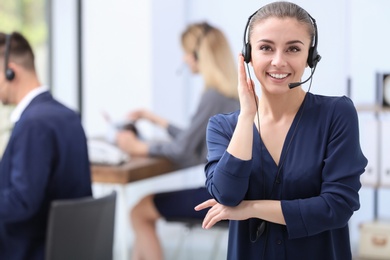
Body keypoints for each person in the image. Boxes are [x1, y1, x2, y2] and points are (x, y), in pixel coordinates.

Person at [194, 2, 368, 260]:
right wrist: (246, 117)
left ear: (310, 57)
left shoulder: (337, 115)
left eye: (293, 49)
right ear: (249, 55)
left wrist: (252, 208)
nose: (278, 61)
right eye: (266, 48)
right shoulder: (224, 127)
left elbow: (337, 207)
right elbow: (227, 195)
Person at [117, 22, 240, 260]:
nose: (183, 59)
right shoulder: (230, 94)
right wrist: (156, 120)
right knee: (141, 209)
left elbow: (184, 150)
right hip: (232, 192)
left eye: (185, 52)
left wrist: (139, 147)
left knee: (139, 211)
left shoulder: (213, 97)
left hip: (220, 197)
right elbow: (194, 141)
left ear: (197, 55)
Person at [0, 32, 92, 260]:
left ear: (11, 72)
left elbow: (22, 203)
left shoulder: (34, 123)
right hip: (66, 246)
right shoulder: (66, 114)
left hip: (27, 249)